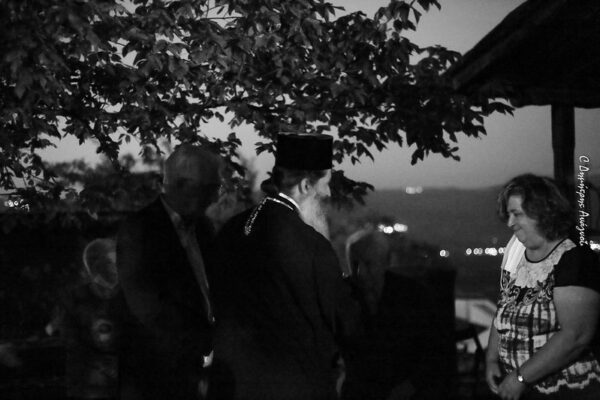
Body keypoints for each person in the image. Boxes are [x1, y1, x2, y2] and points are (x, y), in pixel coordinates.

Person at [212, 133, 360, 400]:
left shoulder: (233, 228)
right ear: (305, 185)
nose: (327, 193)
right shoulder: (312, 244)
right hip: (294, 387)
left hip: (231, 386)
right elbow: (344, 322)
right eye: (325, 184)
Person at [117, 144, 223, 400]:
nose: (215, 198)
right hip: (158, 378)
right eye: (210, 188)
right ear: (182, 185)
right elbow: (148, 306)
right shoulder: (140, 230)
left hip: (199, 373)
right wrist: (205, 345)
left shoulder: (204, 229)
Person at [486, 174, 600, 400]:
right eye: (509, 215)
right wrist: (491, 360)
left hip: (566, 391)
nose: (510, 223)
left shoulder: (575, 260)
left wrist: (521, 378)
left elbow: (575, 336)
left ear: (543, 212)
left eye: (517, 214)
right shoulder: (517, 255)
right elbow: (502, 311)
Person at [341, 228, 445, 400]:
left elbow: (435, 352)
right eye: (354, 264)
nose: (360, 273)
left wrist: (410, 386)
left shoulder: (413, 297)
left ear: (386, 262)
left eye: (368, 264)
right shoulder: (340, 296)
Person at [51, 238, 124, 400]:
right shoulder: (75, 299)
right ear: (96, 266)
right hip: (91, 379)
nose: (117, 268)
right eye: (111, 263)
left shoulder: (129, 297)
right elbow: (72, 341)